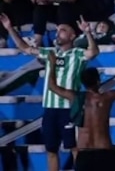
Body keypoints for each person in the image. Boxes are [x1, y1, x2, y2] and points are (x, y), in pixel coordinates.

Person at [0, 14, 98, 171]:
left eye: (63, 30)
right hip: (50, 109)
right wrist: (9, 28)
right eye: (58, 30)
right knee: (51, 150)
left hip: (69, 109)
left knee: (74, 148)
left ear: (72, 36)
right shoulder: (50, 52)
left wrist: (87, 33)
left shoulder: (77, 54)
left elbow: (93, 52)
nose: (58, 32)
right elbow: (25, 48)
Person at [46, 49, 115, 171]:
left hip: (84, 152)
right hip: (104, 150)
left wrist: (52, 64)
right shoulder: (107, 97)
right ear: (98, 81)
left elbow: (52, 86)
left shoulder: (75, 97)